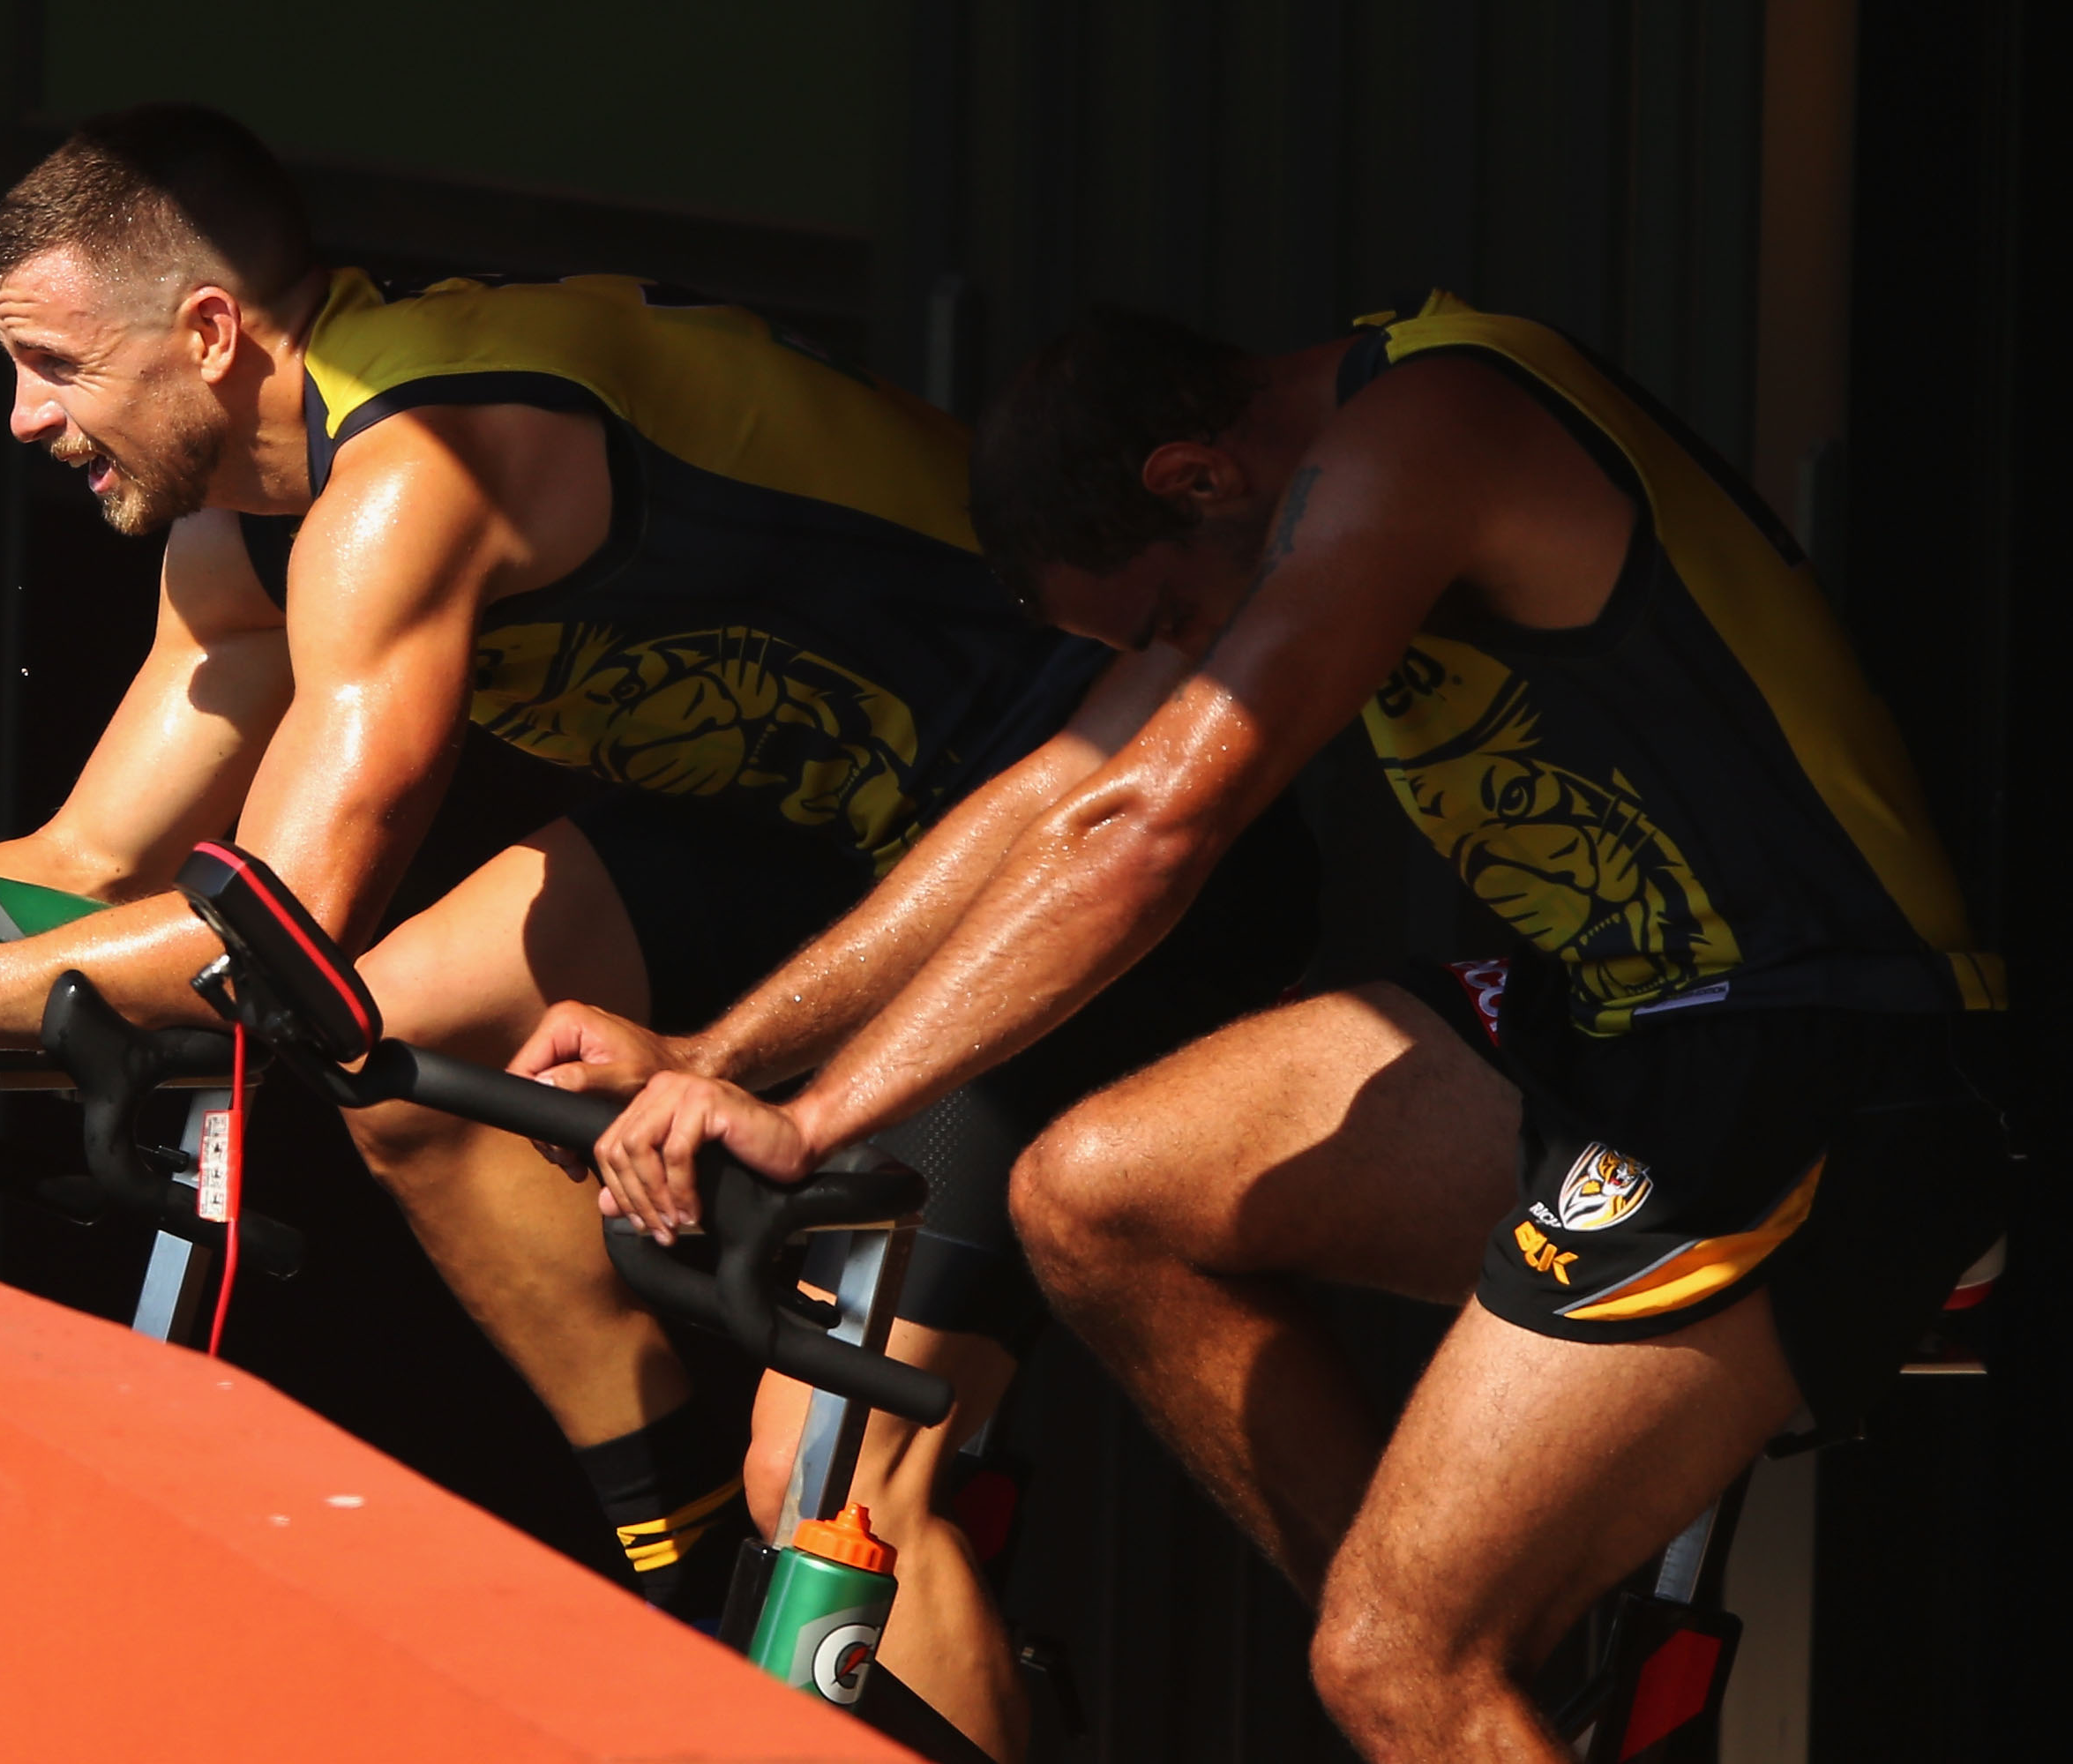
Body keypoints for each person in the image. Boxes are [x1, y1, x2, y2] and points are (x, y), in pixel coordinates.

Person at [0, 103, 1291, 1752]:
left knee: (843, 1478)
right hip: (829, 831)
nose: (16, 418)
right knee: (404, 1057)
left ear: (208, 334)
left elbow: (257, 940)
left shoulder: (407, 476)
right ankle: (692, 1579)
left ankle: (798, 1578)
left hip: (1072, 825)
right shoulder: (243, 524)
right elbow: (88, 857)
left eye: (53, 367)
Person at [544, 295, 2009, 1760]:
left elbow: (1155, 826)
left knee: (1393, 1663)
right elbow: (1067, 786)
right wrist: (712, 1059)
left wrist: (813, 1121)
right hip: (1612, 1029)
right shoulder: (1292, 495)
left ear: (1194, 480)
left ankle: (1437, 1675)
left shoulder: (1428, 430)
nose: (1178, 652)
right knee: (1097, 1192)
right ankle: (1481, 1680)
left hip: (1823, 1046)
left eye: (1171, 623)